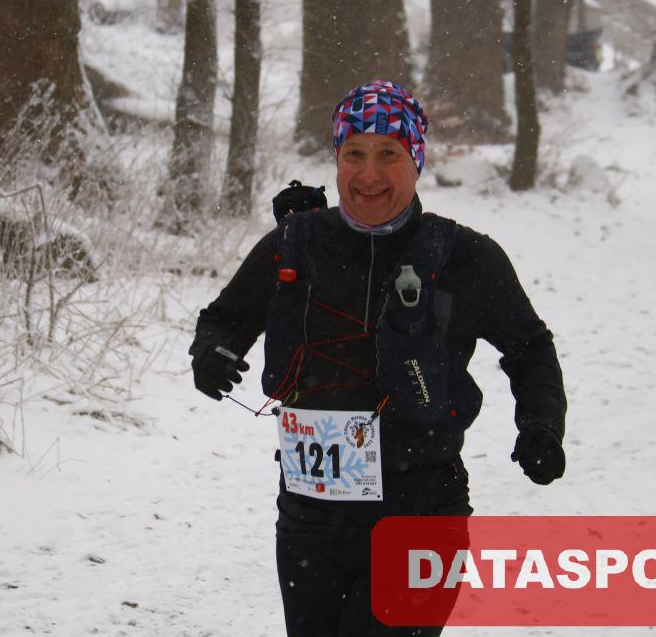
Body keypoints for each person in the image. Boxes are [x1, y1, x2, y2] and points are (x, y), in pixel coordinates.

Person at [189, 80, 567, 636]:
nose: (369, 173)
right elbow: (225, 318)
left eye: (388, 153)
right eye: (355, 154)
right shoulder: (295, 245)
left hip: (423, 513)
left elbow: (530, 348)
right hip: (311, 518)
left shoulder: (465, 257)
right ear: (336, 160)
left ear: (417, 162)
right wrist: (211, 354)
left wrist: (541, 426)